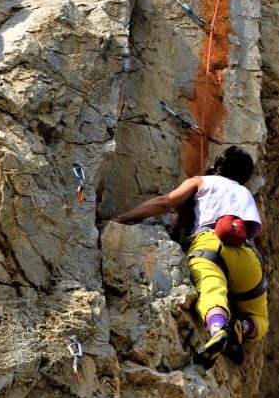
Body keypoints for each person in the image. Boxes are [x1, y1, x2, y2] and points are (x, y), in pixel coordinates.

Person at [97, 146, 269, 370]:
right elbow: (258, 230)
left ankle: (218, 331)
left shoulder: (201, 182)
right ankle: (243, 327)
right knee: (260, 318)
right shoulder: (246, 195)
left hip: (209, 246)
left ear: (219, 165)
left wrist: (121, 219)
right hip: (246, 256)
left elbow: (164, 202)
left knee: (212, 292)